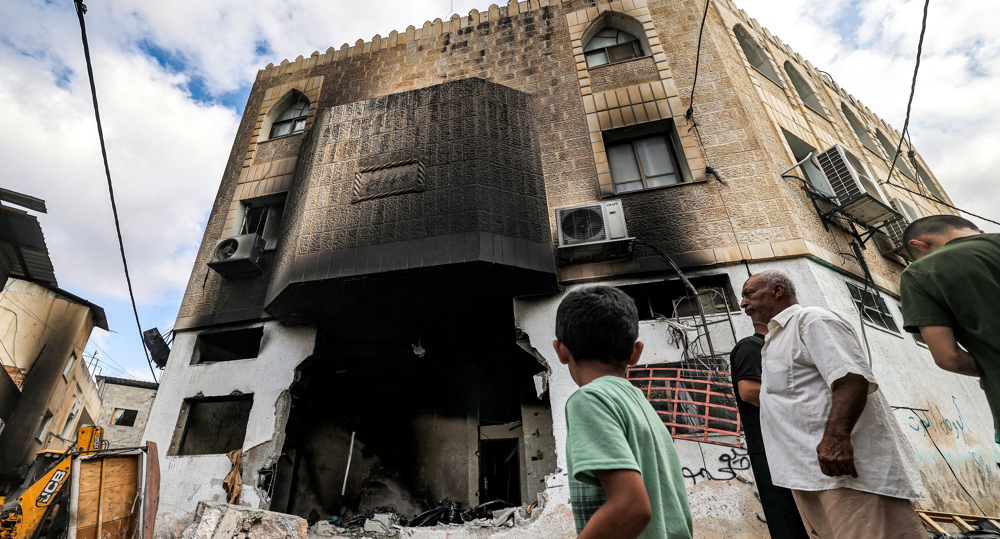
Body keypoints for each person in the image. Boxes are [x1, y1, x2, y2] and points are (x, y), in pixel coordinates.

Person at [740, 270, 926, 538]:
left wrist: (836, 440)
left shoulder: (812, 320)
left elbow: (851, 379)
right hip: (807, 475)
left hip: (844, 474)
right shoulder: (774, 339)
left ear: (777, 291)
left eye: (749, 294)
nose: (743, 303)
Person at [553, 286, 693, 539]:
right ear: (635, 353)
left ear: (561, 350)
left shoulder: (590, 400)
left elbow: (631, 507)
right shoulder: (637, 399)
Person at [900, 215, 1000, 440]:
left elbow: (948, 357)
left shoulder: (919, 273)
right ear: (980, 232)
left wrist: (992, 366)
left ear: (920, 244)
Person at [730, 322, 809, 538]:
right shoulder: (751, 346)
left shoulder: (780, 351)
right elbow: (748, 391)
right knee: (789, 522)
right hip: (769, 448)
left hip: (789, 445)